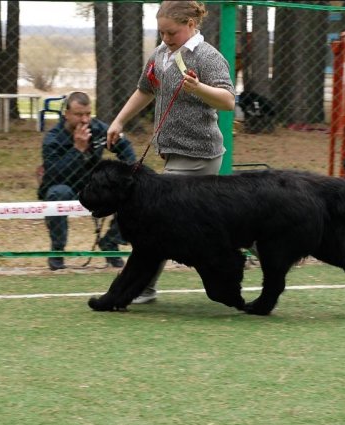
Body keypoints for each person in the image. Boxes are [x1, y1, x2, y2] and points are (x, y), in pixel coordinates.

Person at [106, 1, 235, 303]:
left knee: (158, 223)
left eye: (171, 32)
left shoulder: (207, 56)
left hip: (199, 153)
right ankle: (244, 245)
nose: (165, 38)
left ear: (191, 24)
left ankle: (141, 288)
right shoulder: (161, 55)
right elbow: (145, 90)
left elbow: (228, 100)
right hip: (172, 153)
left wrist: (199, 88)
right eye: (161, 33)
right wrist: (119, 120)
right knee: (177, 226)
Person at [38, 91, 136, 271]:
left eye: (87, 114)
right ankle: (58, 250)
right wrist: (77, 150)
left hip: (93, 187)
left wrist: (132, 171)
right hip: (63, 186)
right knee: (58, 192)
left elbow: (124, 146)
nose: (84, 120)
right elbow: (53, 175)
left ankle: (110, 242)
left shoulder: (98, 129)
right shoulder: (52, 139)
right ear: (66, 114)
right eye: (78, 115)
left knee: (132, 191)